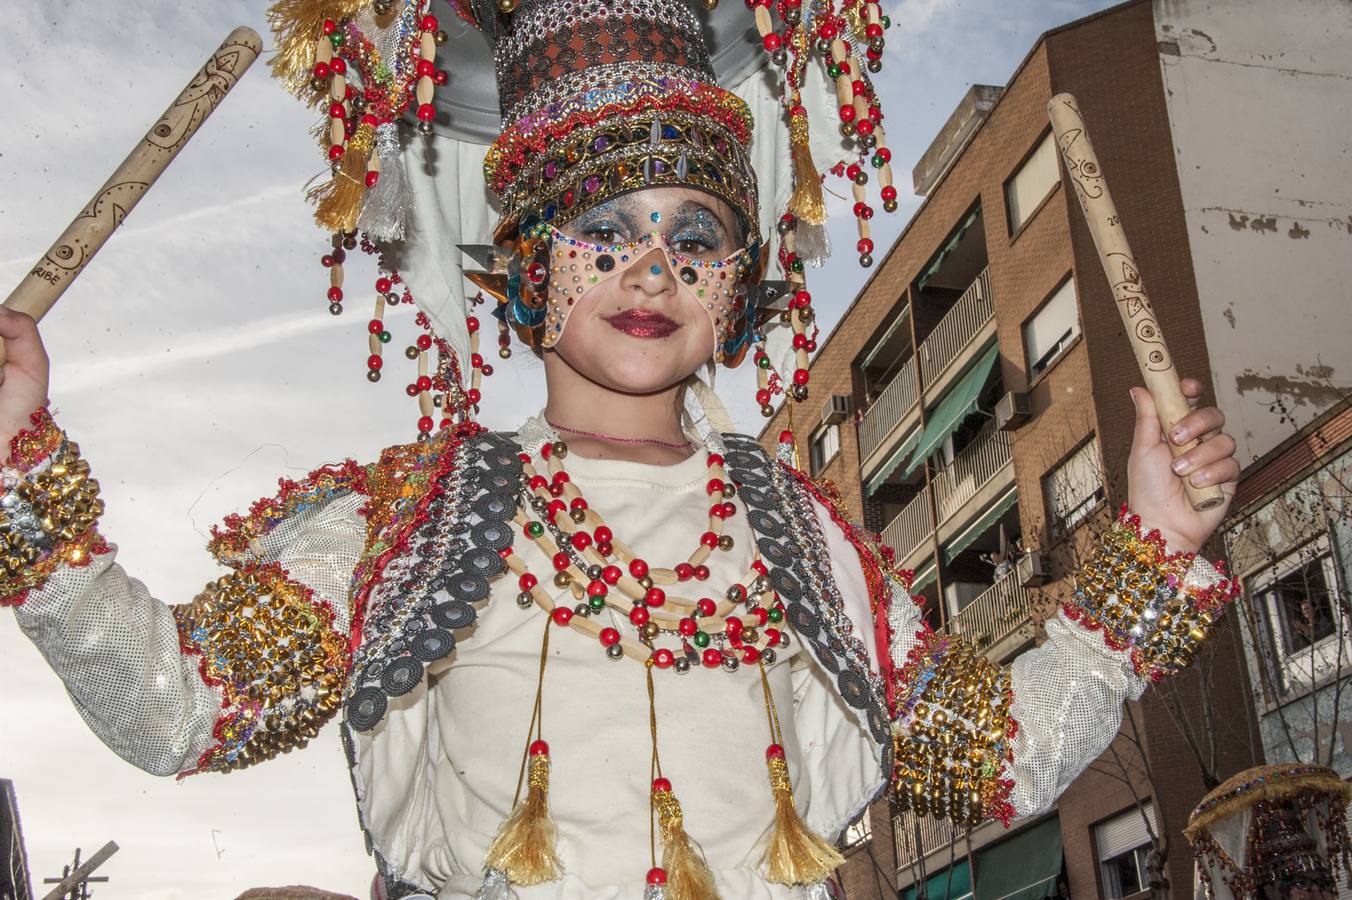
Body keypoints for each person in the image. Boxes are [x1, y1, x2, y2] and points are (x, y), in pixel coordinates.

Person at [0, 1, 1244, 898]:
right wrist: (19, 477)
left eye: (692, 238)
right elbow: (178, 708)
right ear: (529, 268)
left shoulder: (806, 540)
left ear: (734, 293)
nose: (650, 267)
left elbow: (991, 758)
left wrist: (1150, 552)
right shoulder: (413, 520)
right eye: (604, 231)